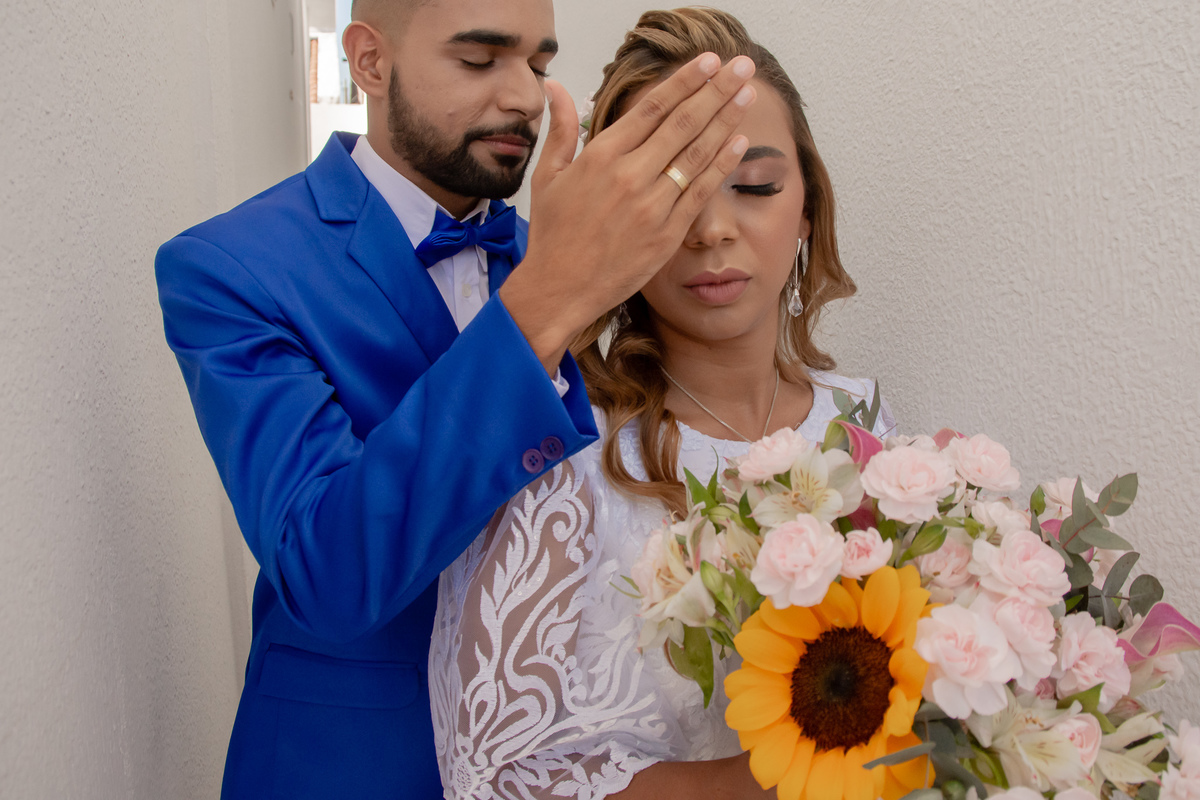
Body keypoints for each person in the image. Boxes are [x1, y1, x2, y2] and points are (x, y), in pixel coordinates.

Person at [154, 0, 761, 795]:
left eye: (539, 65)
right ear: (370, 62)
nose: (523, 97)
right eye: (480, 61)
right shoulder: (229, 268)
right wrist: (543, 302)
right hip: (346, 766)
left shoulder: (574, 252)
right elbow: (328, 577)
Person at [429, 8, 896, 799]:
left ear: (808, 207)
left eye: (753, 184)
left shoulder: (862, 423)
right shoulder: (565, 457)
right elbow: (490, 776)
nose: (712, 230)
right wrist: (799, 773)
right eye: (672, 195)